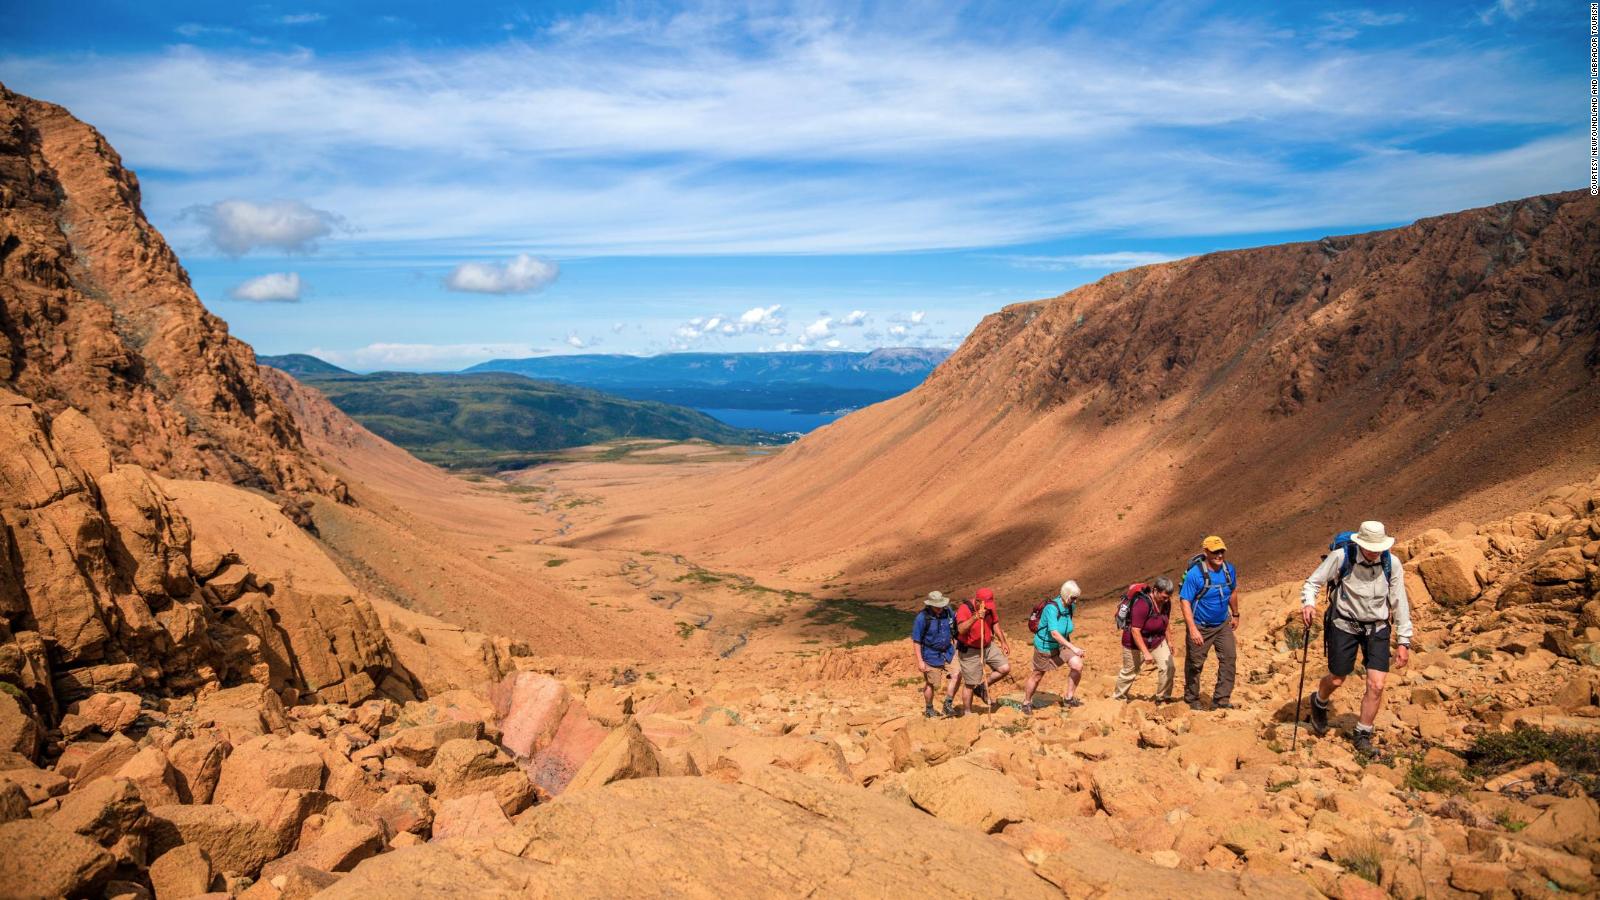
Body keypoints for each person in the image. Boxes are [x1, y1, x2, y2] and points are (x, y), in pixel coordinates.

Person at [1300, 521, 1412, 754]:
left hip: (1378, 627)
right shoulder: (1342, 557)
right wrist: (1308, 604)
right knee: (1338, 678)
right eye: (1371, 547)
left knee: (1377, 684)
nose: (1375, 552)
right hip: (1344, 624)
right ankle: (1319, 700)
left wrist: (1404, 640)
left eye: (1378, 547)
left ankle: (1363, 734)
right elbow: (1313, 583)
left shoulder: (1392, 563)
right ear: (1360, 543)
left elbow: (1399, 600)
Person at [1181, 535, 1240, 710]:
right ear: (1206, 552)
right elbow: (1185, 601)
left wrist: (1236, 614)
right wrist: (1193, 629)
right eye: (1215, 552)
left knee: (1229, 659)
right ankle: (1191, 699)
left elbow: (1233, 592)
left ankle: (1221, 700)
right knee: (1195, 664)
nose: (1219, 555)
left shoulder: (1229, 570)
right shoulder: (1195, 575)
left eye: (1221, 551)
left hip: (1222, 624)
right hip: (1201, 625)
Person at [1021, 581, 1085, 714]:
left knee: (1077, 665)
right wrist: (1073, 648)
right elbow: (1054, 633)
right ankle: (1026, 702)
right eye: (1073, 598)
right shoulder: (1052, 608)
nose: (1075, 601)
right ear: (1066, 595)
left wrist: (1069, 646)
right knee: (1037, 675)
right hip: (1045, 647)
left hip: (1061, 645)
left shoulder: (1070, 607)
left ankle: (1068, 698)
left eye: (1076, 598)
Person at [1113, 576, 1176, 701]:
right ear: (1155, 590)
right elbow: (1135, 630)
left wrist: (1169, 641)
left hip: (1157, 640)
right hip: (1134, 643)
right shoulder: (1142, 604)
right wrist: (1146, 653)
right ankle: (1118, 698)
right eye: (1164, 597)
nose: (1167, 600)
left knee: (1168, 667)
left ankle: (1162, 697)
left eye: (1169, 597)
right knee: (1130, 672)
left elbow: (1166, 621)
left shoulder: (1166, 603)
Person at [954, 587, 1012, 714]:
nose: (988, 608)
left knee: (1005, 668)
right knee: (970, 683)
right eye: (985, 605)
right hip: (970, 650)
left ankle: (981, 688)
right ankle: (968, 713)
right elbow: (961, 629)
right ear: (978, 601)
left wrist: (1003, 642)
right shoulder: (965, 609)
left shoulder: (989, 607)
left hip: (987, 645)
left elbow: (995, 623)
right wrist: (975, 617)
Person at [910, 591, 960, 717]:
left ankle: (948, 704)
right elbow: (917, 641)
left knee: (957, 674)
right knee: (932, 683)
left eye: (941, 606)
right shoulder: (922, 618)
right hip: (930, 654)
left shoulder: (948, 612)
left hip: (948, 651)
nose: (939, 609)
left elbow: (956, 628)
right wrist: (920, 661)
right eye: (937, 607)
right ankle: (929, 709)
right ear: (930, 605)